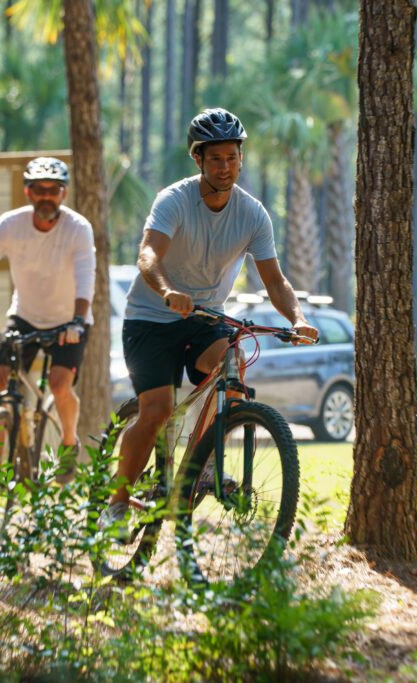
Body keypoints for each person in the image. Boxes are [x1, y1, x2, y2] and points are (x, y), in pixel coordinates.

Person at [99, 108, 319, 530]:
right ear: (198, 160)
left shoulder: (253, 214)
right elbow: (148, 254)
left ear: (241, 158)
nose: (225, 167)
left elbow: (275, 281)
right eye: (215, 158)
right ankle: (118, 499)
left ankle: (204, 464)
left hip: (206, 317)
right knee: (157, 410)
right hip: (151, 318)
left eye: (232, 158)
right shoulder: (174, 200)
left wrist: (297, 318)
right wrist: (166, 291)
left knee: (232, 369)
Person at [0, 156, 95, 484]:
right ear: (28, 191)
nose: (46, 196)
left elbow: (85, 280)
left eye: (54, 190)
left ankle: (67, 444)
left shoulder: (78, 229)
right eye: (40, 189)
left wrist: (78, 322)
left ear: (63, 194)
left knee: (59, 384)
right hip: (24, 317)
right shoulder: (9, 225)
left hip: (70, 321)